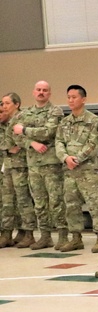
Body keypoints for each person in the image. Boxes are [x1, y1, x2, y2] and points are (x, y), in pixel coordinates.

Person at [54, 85, 98, 252]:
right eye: (68, 97)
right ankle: (76, 238)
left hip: (88, 170)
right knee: (71, 205)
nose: (71, 100)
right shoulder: (64, 122)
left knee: (95, 204)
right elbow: (58, 142)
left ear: (83, 99)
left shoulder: (94, 121)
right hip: (70, 171)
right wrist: (65, 158)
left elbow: (93, 144)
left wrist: (76, 159)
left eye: (74, 97)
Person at [12, 81, 65, 250]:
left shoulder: (55, 111)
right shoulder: (25, 114)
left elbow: (49, 131)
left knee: (56, 201)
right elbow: (14, 134)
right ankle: (45, 236)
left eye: (45, 90)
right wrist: (32, 143)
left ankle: (63, 235)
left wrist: (26, 131)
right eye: (38, 90)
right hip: (33, 164)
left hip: (51, 164)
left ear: (49, 93)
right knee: (39, 202)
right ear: (33, 92)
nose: (41, 92)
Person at [1, 94, 36, 249]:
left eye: (7, 103)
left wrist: (11, 145)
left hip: (21, 164)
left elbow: (20, 140)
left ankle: (28, 233)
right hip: (8, 164)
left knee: (23, 200)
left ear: (17, 104)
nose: (4, 106)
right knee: (7, 200)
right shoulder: (8, 122)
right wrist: (8, 146)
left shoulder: (22, 118)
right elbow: (7, 143)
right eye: (3, 103)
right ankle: (6, 233)